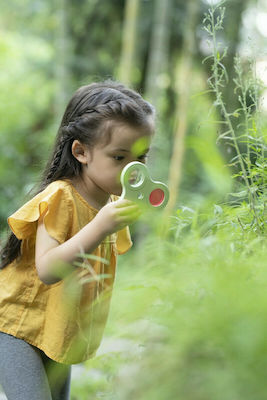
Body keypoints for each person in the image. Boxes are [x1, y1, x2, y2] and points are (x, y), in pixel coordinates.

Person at [0, 80, 155, 400]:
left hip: (57, 325)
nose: (133, 169)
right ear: (81, 151)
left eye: (141, 158)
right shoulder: (61, 197)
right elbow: (47, 268)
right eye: (119, 157)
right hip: (15, 326)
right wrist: (101, 226)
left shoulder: (111, 205)